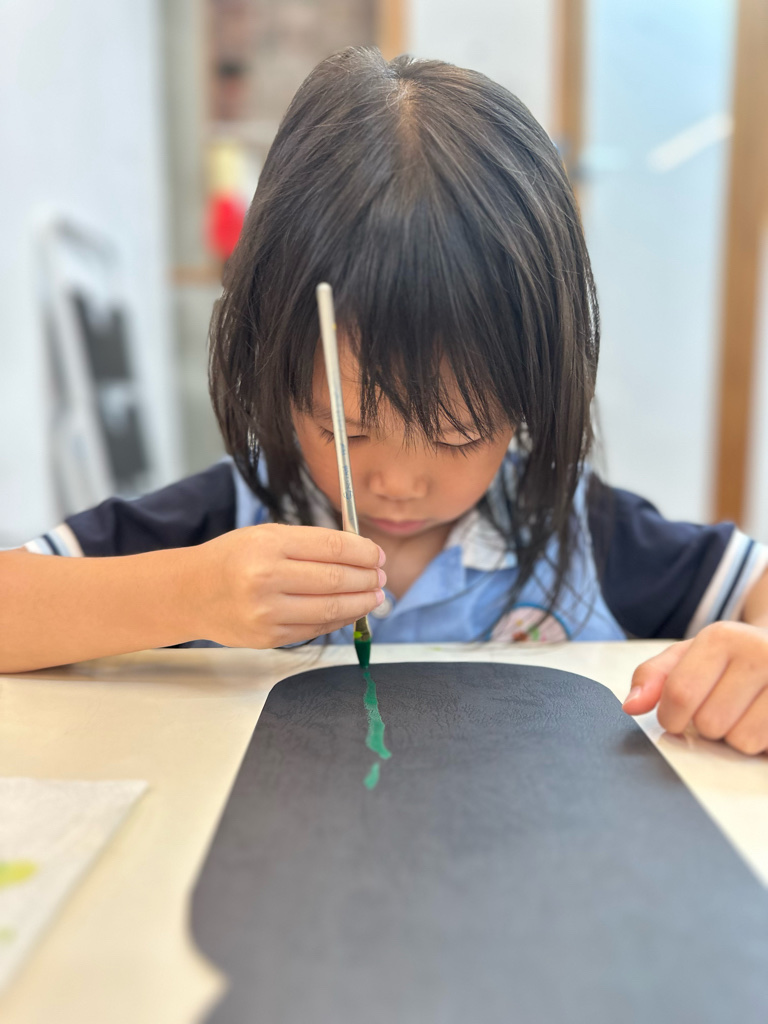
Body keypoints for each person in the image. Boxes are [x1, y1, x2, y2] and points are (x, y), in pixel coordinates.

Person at [3, 48, 768, 754]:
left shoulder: (580, 532)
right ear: (272, 363)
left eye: (458, 432)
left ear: (534, 390)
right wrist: (191, 594)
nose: (397, 482)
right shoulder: (227, 524)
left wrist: (751, 660)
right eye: (345, 426)